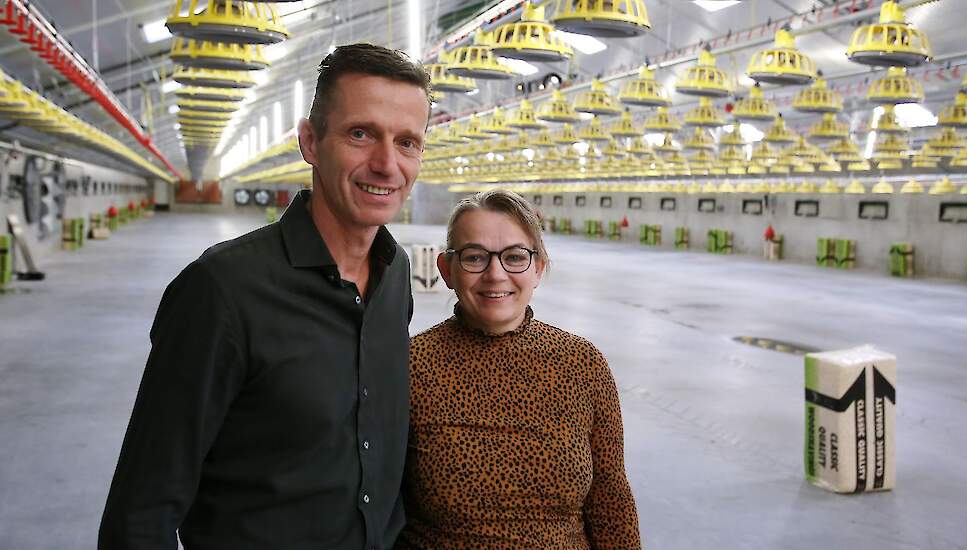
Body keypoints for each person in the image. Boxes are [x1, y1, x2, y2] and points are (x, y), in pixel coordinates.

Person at [98, 43, 431, 549]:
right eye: (361, 134)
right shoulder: (223, 290)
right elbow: (142, 511)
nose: (387, 164)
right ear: (310, 142)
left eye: (407, 142)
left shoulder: (395, 274)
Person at [397, 190, 641, 549]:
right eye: (475, 257)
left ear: (538, 269)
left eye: (514, 257)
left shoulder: (582, 364)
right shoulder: (411, 365)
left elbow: (611, 501)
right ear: (447, 270)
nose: (495, 275)